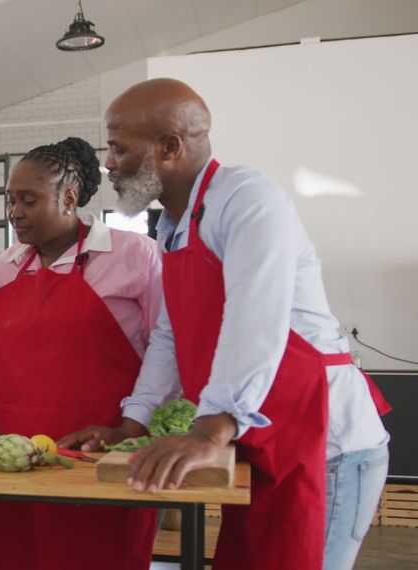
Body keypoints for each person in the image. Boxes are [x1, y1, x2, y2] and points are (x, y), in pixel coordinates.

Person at [62, 78, 391, 570]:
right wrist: (134, 421)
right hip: (261, 447)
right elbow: (171, 338)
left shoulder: (247, 199)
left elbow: (255, 315)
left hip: (328, 447)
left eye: (118, 148)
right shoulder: (174, 227)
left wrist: (211, 428)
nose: (108, 163)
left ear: (169, 147)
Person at [0, 137, 162, 569]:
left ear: (69, 198)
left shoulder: (134, 255)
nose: (14, 213)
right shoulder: (0, 269)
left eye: (28, 200)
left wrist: (140, 425)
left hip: (100, 458)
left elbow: (165, 352)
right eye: (10, 201)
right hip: (13, 462)